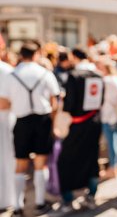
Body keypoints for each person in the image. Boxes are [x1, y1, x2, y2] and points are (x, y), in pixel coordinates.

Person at [0, 42, 60, 216]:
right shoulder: (45, 73)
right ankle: (40, 202)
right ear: (36, 54)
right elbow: (55, 101)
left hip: (22, 122)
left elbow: (4, 102)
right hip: (42, 121)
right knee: (40, 164)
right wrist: (54, 123)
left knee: (20, 163)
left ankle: (18, 206)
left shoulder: (12, 74)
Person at [55, 48, 104, 214]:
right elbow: (100, 101)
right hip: (94, 123)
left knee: (65, 161)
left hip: (77, 124)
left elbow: (69, 105)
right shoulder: (98, 75)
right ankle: (91, 194)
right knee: (91, 158)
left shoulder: (74, 75)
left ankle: (68, 198)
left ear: (75, 57)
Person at [96, 58, 117, 178]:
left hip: (109, 115)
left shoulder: (106, 80)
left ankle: (113, 167)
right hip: (116, 114)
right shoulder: (116, 79)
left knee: (112, 142)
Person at [0, 58, 16, 211]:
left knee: (6, 160)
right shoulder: (7, 70)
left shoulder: (6, 70)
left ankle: (7, 199)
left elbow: (8, 101)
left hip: (4, 121)